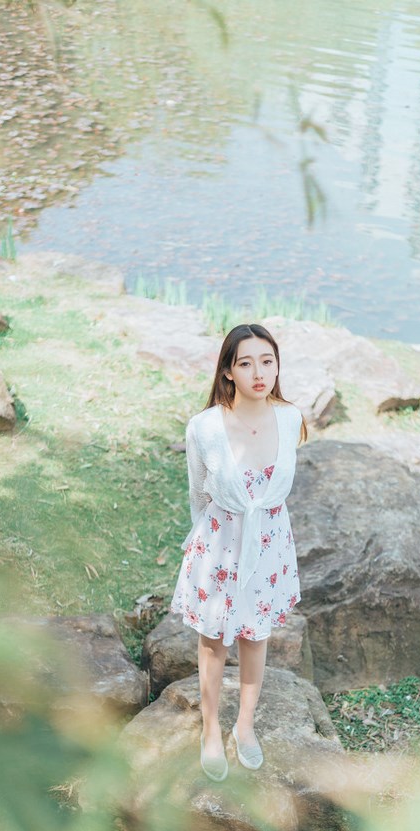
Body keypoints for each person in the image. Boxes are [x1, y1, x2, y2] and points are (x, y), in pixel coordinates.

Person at [171, 323, 307, 781]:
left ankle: (244, 725)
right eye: (246, 363)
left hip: (269, 544)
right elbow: (197, 493)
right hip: (220, 544)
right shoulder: (205, 427)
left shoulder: (290, 418)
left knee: (255, 636)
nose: (258, 373)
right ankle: (211, 729)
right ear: (228, 371)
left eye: (267, 361)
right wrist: (208, 544)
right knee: (213, 640)